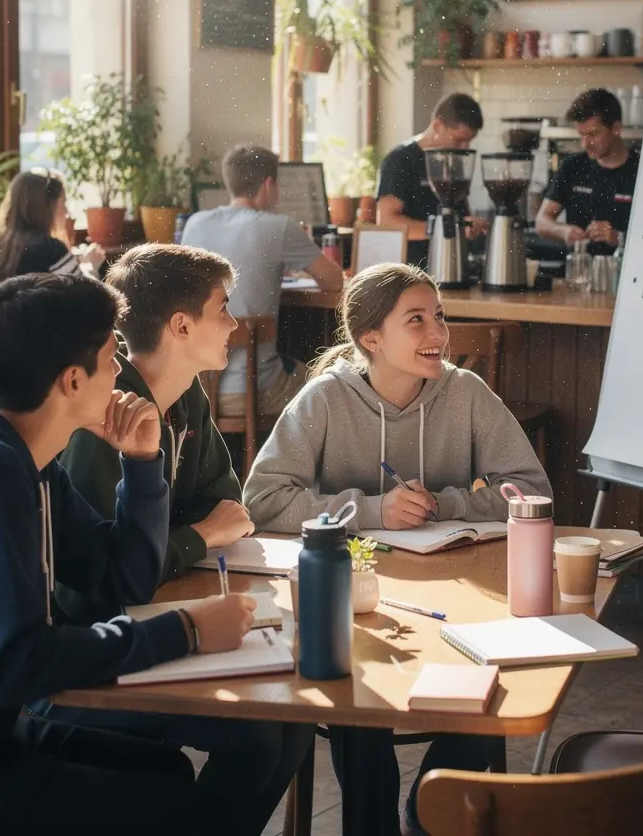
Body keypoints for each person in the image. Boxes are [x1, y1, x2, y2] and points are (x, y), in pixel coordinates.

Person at [0, 272, 260, 835]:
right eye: (111, 358)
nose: (121, 370)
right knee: (177, 808)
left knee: (168, 773)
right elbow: (14, 665)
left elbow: (122, 577)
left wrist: (144, 463)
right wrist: (186, 630)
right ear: (74, 381)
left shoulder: (24, 457)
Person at [242, 262, 551, 835]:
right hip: (357, 600)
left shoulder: (465, 393)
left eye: (440, 316)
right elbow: (261, 500)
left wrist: (449, 504)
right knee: (360, 700)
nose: (438, 333)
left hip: (456, 595)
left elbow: (531, 490)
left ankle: (425, 814)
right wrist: (373, 510)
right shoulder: (324, 399)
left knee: (492, 687)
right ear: (371, 338)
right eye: (417, 320)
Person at [49, 243, 315, 833]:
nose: (235, 324)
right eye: (224, 308)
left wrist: (192, 534)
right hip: (100, 642)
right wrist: (197, 536)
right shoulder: (107, 417)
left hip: (161, 608)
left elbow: (228, 504)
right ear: (181, 325)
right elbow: (100, 578)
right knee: (256, 737)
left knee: (293, 720)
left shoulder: (188, 394)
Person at [181, 143, 343, 416]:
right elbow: (334, 280)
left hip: (196, 391)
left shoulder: (195, 223)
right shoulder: (278, 226)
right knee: (329, 383)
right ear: (268, 184)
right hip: (255, 391)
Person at [376, 92, 486, 266]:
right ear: (437, 126)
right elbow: (387, 222)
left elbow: (462, 214)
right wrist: (441, 229)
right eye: (459, 140)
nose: (465, 147)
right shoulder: (400, 160)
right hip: (411, 269)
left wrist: (470, 227)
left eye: (469, 141)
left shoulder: (453, 160)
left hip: (450, 264)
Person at [535, 88, 639, 253]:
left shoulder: (642, 171)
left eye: (593, 134)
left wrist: (619, 238)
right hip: (578, 266)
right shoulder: (572, 166)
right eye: (581, 135)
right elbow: (542, 221)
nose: (585, 144)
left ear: (616, 128)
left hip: (624, 268)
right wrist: (563, 231)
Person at [0, 168, 105, 297]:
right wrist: (91, 266)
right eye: (63, 203)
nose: (67, 212)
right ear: (48, 208)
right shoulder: (51, 249)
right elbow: (90, 297)